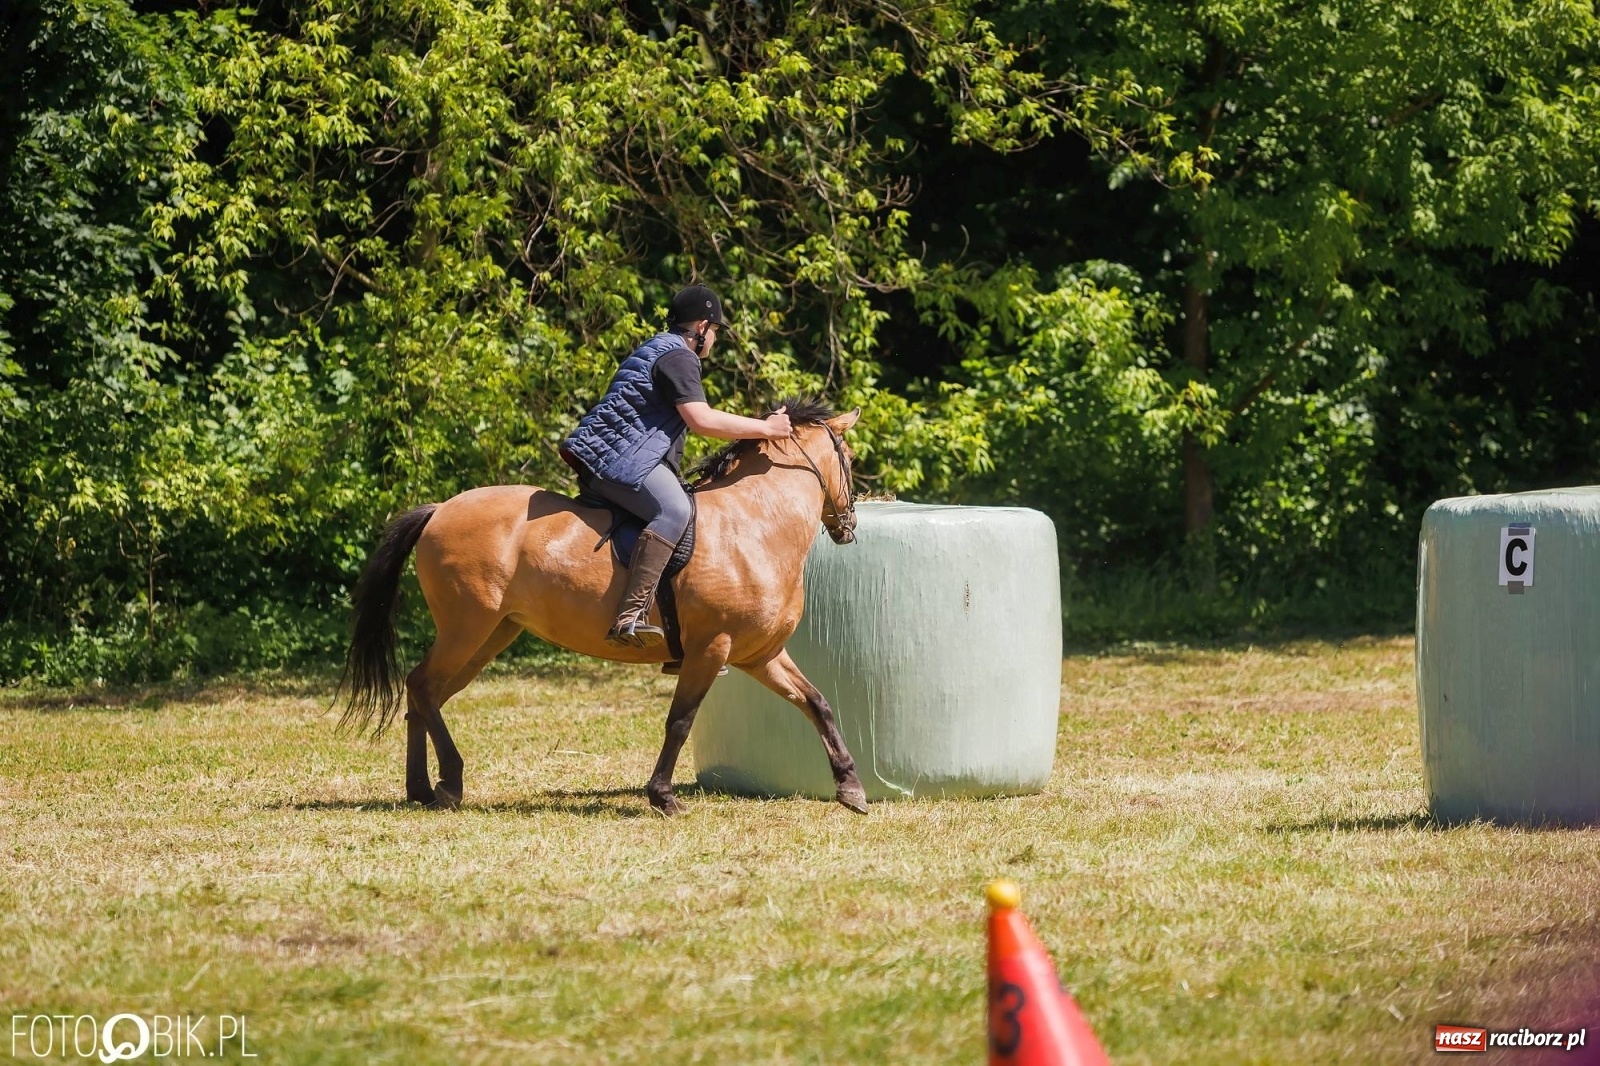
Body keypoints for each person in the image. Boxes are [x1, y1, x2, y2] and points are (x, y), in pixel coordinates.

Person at [561, 285, 793, 647]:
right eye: (715, 330)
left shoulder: (657, 348)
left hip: (608, 456)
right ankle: (630, 616)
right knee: (674, 510)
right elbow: (701, 419)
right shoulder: (679, 357)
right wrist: (766, 428)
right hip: (620, 460)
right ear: (702, 327)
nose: (714, 338)